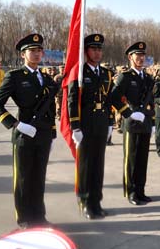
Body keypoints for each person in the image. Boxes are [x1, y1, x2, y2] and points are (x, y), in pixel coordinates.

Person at [0, 33, 57, 229]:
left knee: (39, 177)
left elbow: (50, 109)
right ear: (23, 55)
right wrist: (16, 124)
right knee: (24, 179)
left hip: (43, 135)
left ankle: (39, 215)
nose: (36, 54)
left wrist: (52, 134)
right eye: (32, 51)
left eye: (39, 51)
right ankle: (25, 218)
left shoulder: (45, 77)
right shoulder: (15, 77)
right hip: (24, 136)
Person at [68, 34, 114, 219]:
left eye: (99, 49)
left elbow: (109, 99)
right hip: (85, 125)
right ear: (86, 51)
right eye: (93, 49)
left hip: (101, 123)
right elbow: (72, 100)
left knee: (98, 164)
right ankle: (85, 201)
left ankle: (96, 201)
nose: (97, 53)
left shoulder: (106, 74)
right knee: (86, 165)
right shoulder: (79, 72)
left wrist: (110, 122)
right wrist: (75, 127)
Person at [111, 41, 155, 206]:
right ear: (130, 57)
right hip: (131, 124)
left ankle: (141, 191)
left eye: (143, 55)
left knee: (142, 159)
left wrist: (153, 120)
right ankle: (131, 192)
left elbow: (151, 101)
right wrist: (128, 113)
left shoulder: (148, 78)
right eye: (138, 55)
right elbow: (114, 97)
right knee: (131, 160)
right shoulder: (126, 77)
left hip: (144, 123)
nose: (141, 58)